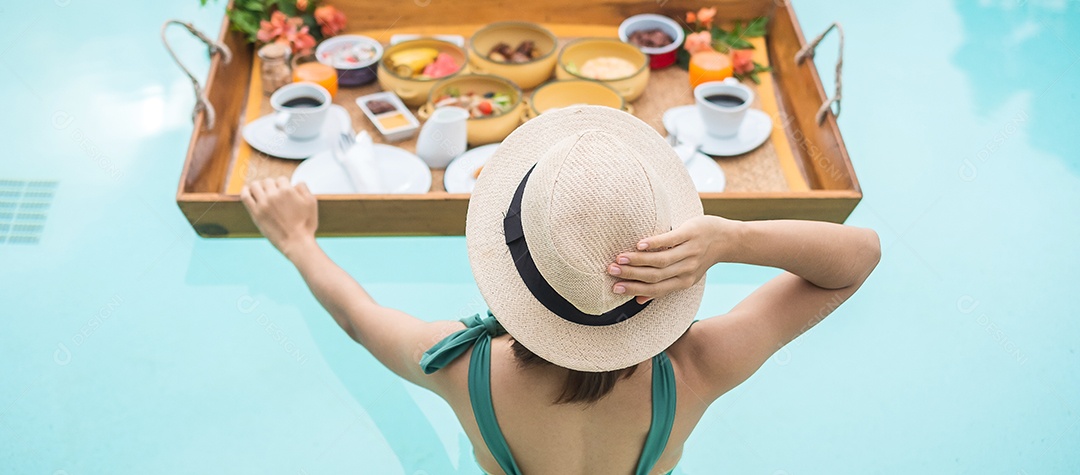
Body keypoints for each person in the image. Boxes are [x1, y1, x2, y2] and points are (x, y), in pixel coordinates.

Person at [241, 106, 880, 475]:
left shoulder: (463, 368)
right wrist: (733, 239)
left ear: (514, 276)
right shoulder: (698, 370)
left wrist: (298, 241)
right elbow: (857, 259)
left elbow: (359, 318)